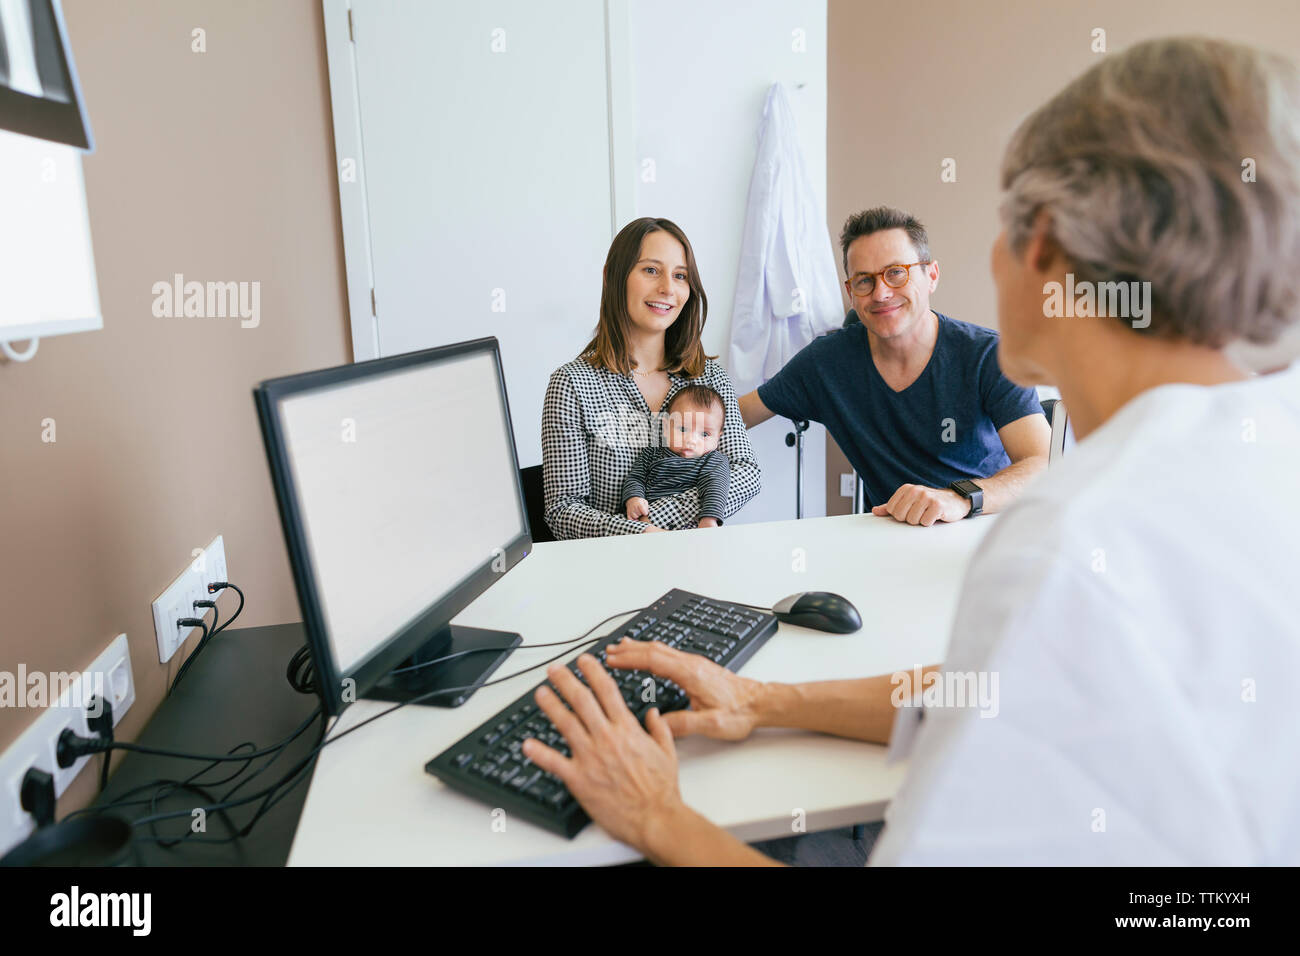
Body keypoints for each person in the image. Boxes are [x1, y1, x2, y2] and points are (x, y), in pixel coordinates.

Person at [519, 36, 1300, 864]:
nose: (883, 293)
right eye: (863, 280)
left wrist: (656, 817)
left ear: (1039, 247)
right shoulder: (1265, 447)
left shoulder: (1065, 547)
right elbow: (991, 694)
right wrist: (763, 697)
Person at [739, 207, 1051, 525]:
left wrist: (961, 497)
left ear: (931, 275)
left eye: (896, 272)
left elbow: (1043, 464)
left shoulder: (989, 355)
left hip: (984, 531)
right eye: (864, 281)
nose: (881, 293)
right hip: (893, 539)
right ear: (851, 292)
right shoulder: (825, 363)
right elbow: (732, 417)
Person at [542, 217, 760, 538]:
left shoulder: (710, 378)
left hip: (698, 559)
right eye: (651, 270)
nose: (668, 289)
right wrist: (638, 535)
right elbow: (563, 510)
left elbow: (747, 473)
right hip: (613, 571)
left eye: (680, 276)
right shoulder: (572, 385)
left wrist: (652, 518)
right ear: (612, 277)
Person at [622, 385, 730, 529]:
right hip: (645, 523)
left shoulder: (713, 460)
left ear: (718, 438)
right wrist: (633, 498)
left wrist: (710, 519)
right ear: (666, 427)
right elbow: (636, 478)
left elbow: (715, 488)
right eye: (683, 429)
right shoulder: (652, 453)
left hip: (691, 526)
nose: (691, 440)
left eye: (704, 434)